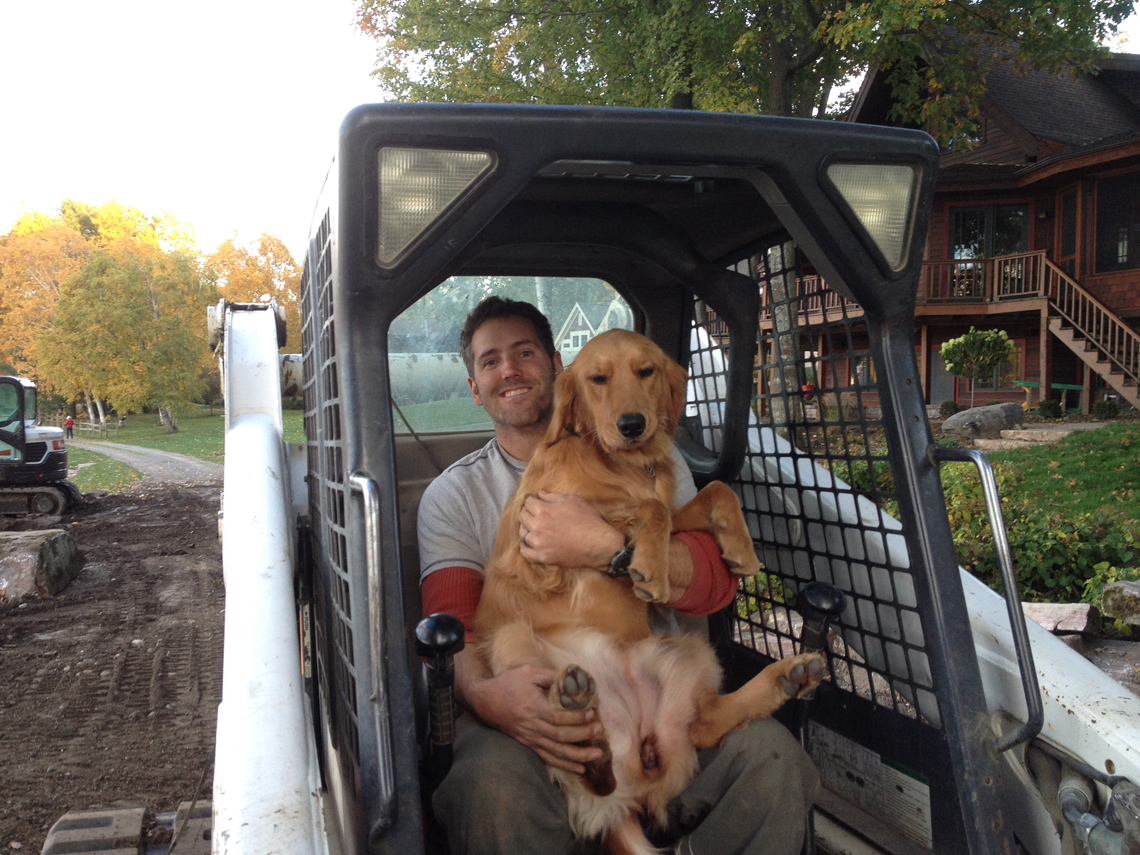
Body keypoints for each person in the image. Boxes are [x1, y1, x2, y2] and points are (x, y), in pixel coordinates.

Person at [417, 297, 819, 855]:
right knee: (489, 784)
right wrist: (486, 697)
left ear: (558, 366)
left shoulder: (654, 460)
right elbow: (453, 625)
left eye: (524, 352)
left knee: (775, 760)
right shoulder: (454, 495)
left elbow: (714, 588)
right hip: (531, 696)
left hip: (649, 689)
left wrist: (609, 548)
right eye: (490, 361)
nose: (508, 369)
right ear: (473, 385)